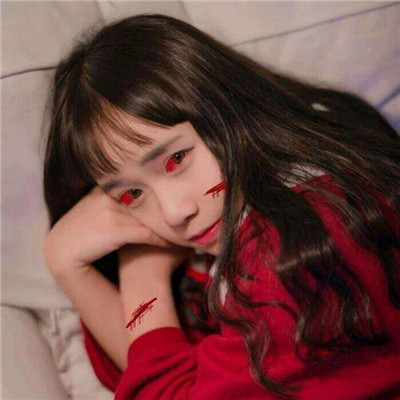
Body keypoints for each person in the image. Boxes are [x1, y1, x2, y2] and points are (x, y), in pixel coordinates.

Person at [42, 13, 400, 400]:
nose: (174, 212)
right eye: (132, 195)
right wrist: (71, 269)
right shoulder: (229, 232)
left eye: (176, 159)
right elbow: (153, 366)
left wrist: (143, 277)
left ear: (222, 107)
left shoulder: (292, 246)